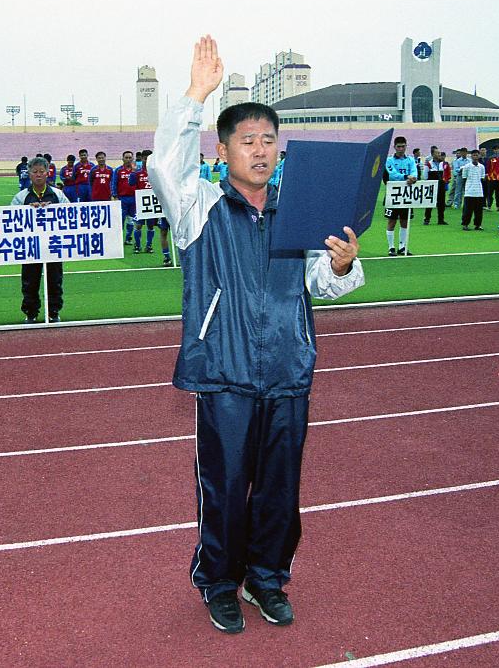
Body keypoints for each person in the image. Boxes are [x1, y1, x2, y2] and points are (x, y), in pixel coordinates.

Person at [148, 36, 364, 634]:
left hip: (289, 370)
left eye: (269, 140)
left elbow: (322, 281)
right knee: (222, 488)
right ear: (222, 149)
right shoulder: (199, 208)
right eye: (248, 140)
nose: (261, 150)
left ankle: (266, 579)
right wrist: (195, 94)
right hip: (225, 373)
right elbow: (165, 164)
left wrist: (343, 264)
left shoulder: (297, 211)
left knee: (279, 491)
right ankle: (219, 581)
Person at [11, 157, 67, 321]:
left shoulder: (58, 195)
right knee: (29, 281)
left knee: (55, 280)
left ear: (48, 173)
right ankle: (31, 313)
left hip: (53, 245)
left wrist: (53, 210)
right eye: (34, 172)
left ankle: (53, 312)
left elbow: (71, 217)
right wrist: (27, 211)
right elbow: (10, 219)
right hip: (30, 246)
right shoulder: (21, 197)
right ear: (28, 174)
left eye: (42, 171)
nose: (38, 175)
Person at [131, 150, 173, 265]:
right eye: (145, 158)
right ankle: (137, 245)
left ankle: (149, 246)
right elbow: (131, 185)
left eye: (149, 158)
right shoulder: (138, 173)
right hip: (142, 204)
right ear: (142, 159)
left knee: (153, 227)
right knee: (138, 225)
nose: (147, 160)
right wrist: (133, 173)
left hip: (159, 205)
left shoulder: (159, 172)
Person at [383, 135, 417, 256]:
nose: (401, 149)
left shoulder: (411, 160)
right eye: (399, 147)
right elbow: (392, 174)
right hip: (393, 194)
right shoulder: (389, 160)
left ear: (406, 146)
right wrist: (406, 177)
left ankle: (402, 246)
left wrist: (413, 178)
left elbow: (414, 172)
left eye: (403, 146)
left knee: (404, 221)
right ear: (394, 147)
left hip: (407, 194)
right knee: (392, 221)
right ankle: (391, 247)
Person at [113, 150, 138, 248]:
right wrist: (114, 195)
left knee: (131, 220)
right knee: (120, 220)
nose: (128, 159)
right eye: (126, 157)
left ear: (133, 159)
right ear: (122, 159)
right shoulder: (118, 170)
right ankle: (118, 239)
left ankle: (128, 238)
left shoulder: (136, 171)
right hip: (122, 198)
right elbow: (114, 183)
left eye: (130, 158)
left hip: (133, 198)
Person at [460, 149, 486, 230]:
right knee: (467, 210)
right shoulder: (467, 167)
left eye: (476, 155)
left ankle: (478, 225)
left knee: (478, 211)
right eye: (474, 155)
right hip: (469, 192)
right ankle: (465, 224)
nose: (475, 157)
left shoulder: (481, 167)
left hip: (479, 191)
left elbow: (482, 179)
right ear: (471, 156)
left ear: (479, 156)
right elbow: (464, 178)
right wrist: (466, 189)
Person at [423, 146, 448, 225]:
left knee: (441, 203)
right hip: (432, 185)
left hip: (441, 185)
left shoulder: (443, 163)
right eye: (437, 153)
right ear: (432, 154)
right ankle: (427, 219)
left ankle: (441, 219)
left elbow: (446, 174)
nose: (439, 154)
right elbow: (425, 176)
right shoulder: (429, 164)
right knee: (429, 203)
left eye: (439, 153)